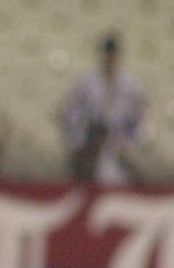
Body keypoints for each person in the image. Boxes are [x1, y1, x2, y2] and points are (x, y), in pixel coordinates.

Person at [59, 34, 146, 184]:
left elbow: (139, 116)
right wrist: (79, 140)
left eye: (114, 54)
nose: (111, 58)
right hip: (90, 145)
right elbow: (68, 112)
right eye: (108, 54)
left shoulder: (130, 86)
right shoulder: (87, 83)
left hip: (116, 145)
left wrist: (127, 140)